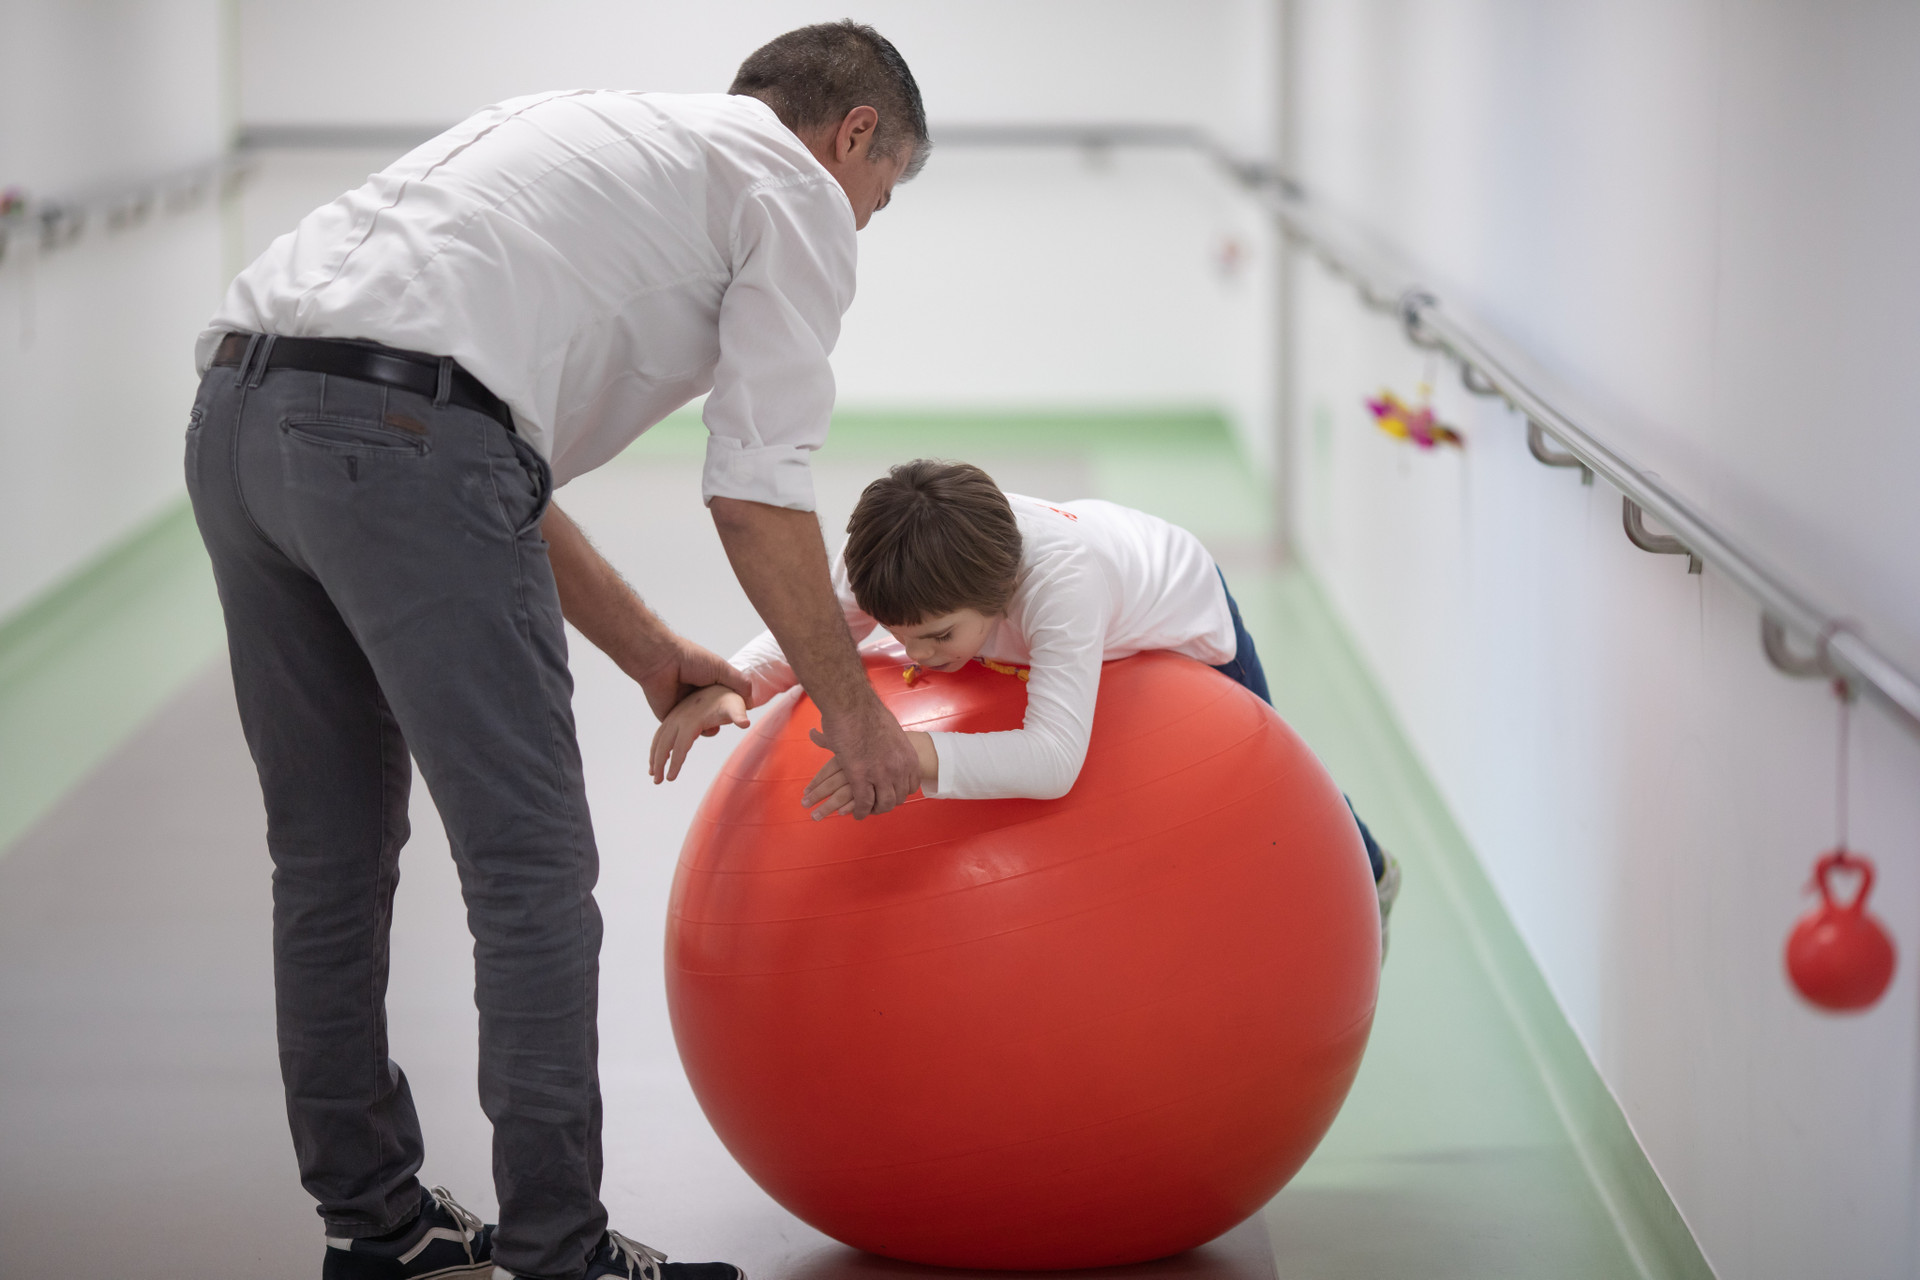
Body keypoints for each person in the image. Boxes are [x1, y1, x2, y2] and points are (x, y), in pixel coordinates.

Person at [184, 22, 928, 1280]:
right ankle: (559, 1248)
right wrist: (856, 713)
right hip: (398, 437)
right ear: (853, 135)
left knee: (326, 857)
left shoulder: (594, 129)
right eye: (884, 190)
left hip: (238, 418)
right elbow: (752, 491)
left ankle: (374, 1225)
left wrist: (649, 651)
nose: (865, 219)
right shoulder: (793, 187)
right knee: (529, 868)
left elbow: (481, 453)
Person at [652, 460, 1402, 940]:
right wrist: (731, 683)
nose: (917, 657)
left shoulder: (1061, 583)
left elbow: (1053, 762)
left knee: (1271, 774)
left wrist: (906, 753)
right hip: (1082, 599)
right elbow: (811, 636)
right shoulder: (893, 563)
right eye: (902, 636)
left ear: (1000, 591)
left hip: (1179, 602)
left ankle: (1369, 866)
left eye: (938, 636)